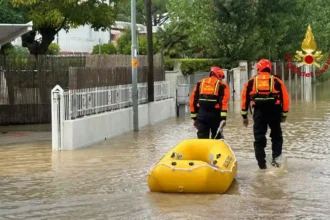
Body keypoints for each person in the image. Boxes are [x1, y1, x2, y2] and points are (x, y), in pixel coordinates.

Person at [241, 59, 290, 169]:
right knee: (277, 137)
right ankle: (276, 162)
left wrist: (244, 116)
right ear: (270, 68)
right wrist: (284, 114)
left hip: (259, 113)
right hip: (275, 112)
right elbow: (285, 99)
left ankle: (262, 166)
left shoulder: (251, 82)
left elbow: (244, 99)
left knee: (259, 138)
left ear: (258, 68)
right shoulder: (277, 81)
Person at [189, 66, 230, 139]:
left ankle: (203, 150)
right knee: (217, 139)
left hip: (201, 116)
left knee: (202, 140)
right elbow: (224, 102)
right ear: (219, 75)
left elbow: (193, 100)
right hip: (216, 117)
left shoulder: (200, 83)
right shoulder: (222, 85)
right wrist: (223, 118)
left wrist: (194, 118)